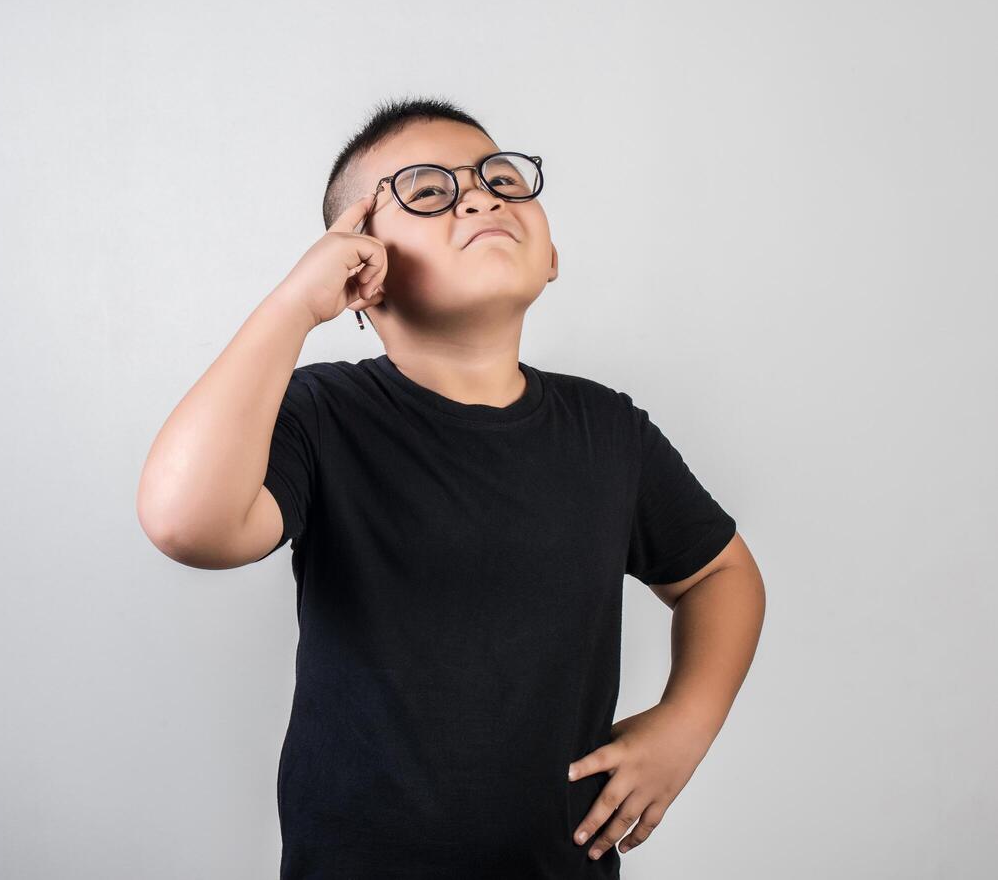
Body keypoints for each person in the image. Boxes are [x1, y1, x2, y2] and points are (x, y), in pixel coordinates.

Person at [136, 96, 766, 878]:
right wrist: (294, 305)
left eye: (500, 179)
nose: (479, 195)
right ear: (359, 268)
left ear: (552, 256)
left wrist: (685, 724)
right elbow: (185, 522)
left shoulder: (608, 430)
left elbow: (719, 574)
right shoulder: (323, 415)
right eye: (427, 192)